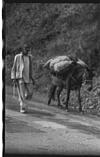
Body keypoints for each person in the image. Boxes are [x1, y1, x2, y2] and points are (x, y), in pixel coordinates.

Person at [11, 44, 35, 113]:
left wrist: (33, 78)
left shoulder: (30, 57)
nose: (28, 51)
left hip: (28, 78)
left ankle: (23, 100)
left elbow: (31, 69)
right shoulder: (17, 57)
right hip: (20, 77)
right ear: (23, 50)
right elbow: (14, 68)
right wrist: (13, 78)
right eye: (26, 50)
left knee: (30, 92)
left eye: (29, 50)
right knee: (21, 94)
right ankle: (22, 107)